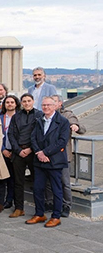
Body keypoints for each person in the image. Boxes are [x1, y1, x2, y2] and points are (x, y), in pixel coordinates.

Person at [26, 96, 70, 228]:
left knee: (57, 190)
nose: (46, 107)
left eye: (49, 105)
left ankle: (56, 216)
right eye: (44, 105)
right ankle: (39, 213)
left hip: (54, 161)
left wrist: (45, 152)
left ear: (55, 106)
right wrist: (39, 152)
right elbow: (33, 138)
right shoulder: (39, 120)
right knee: (38, 189)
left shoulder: (62, 121)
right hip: (39, 161)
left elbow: (62, 141)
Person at [46, 95, 86, 217]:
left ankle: (66, 205)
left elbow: (81, 127)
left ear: (60, 103)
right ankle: (50, 203)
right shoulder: (46, 115)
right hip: (48, 154)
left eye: (54, 102)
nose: (50, 104)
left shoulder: (67, 114)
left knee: (64, 182)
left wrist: (76, 126)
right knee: (48, 182)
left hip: (63, 155)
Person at [8, 93, 42, 218]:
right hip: (18, 152)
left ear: (33, 101)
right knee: (18, 181)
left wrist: (30, 149)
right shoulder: (16, 116)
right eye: (24, 101)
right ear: (21, 103)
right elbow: (10, 134)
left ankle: (39, 209)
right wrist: (17, 150)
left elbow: (40, 135)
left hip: (32, 152)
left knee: (37, 181)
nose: (27, 103)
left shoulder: (39, 115)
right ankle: (19, 208)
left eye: (29, 101)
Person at [0, 95, 21, 212]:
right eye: (7, 102)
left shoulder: (20, 118)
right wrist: (2, 149)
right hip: (3, 151)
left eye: (12, 102)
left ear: (16, 104)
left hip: (16, 152)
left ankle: (10, 199)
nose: (10, 104)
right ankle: (0, 201)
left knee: (14, 179)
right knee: (2, 177)